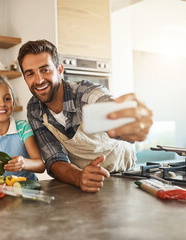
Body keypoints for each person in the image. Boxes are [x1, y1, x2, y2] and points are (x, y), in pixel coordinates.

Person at [17, 40, 153, 192]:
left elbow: (102, 102)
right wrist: (79, 177)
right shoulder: (34, 109)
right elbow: (54, 159)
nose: (39, 80)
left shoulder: (84, 94)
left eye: (45, 70)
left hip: (123, 177)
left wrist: (127, 121)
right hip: (82, 181)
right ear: (25, 79)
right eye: (30, 74)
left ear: (60, 70)